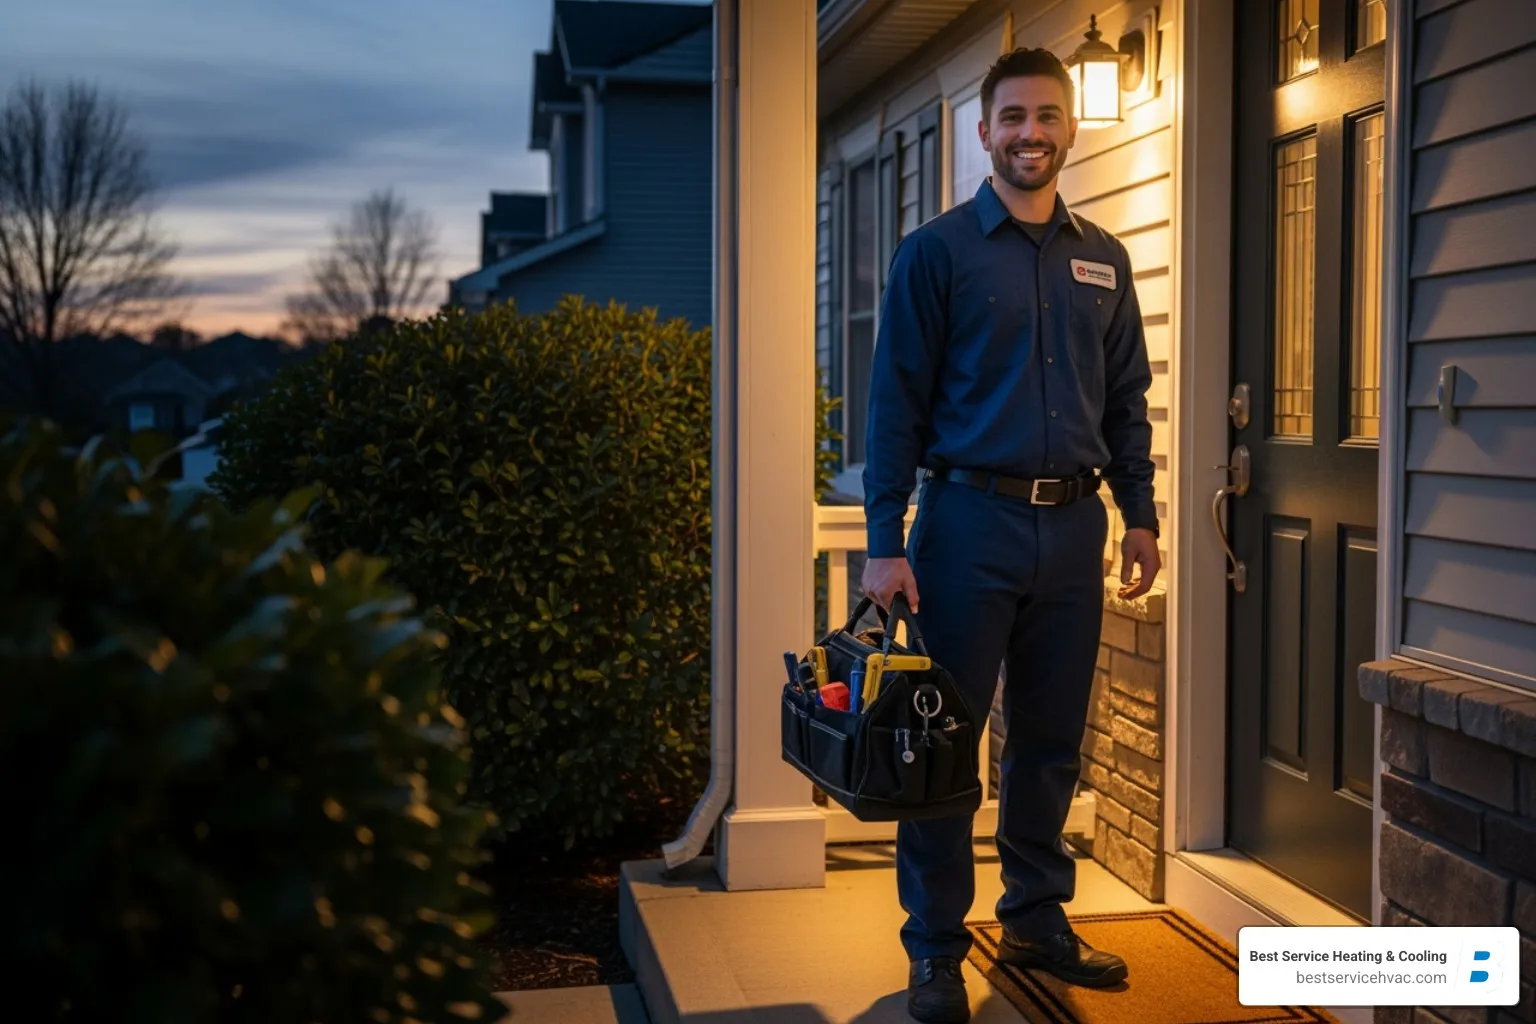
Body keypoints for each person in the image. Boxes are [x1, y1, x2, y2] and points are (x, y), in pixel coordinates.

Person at [859, 47, 1161, 1024]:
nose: (1031, 132)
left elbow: (1125, 403)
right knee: (941, 752)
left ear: (1071, 129)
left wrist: (1143, 513)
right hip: (963, 529)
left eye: (1048, 116)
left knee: (1050, 746)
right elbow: (893, 404)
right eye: (1013, 117)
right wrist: (885, 537)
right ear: (983, 132)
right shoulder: (937, 253)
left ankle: (1035, 916)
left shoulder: (1105, 258)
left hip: (1075, 528)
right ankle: (936, 951)